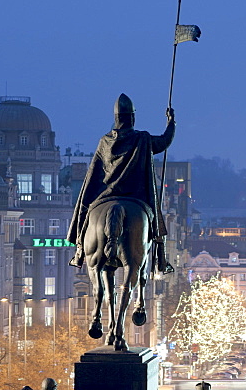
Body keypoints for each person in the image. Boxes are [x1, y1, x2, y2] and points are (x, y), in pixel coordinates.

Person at [67, 94, 176, 273]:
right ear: (132, 118)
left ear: (116, 118)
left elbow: (94, 173)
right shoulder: (142, 139)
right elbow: (164, 141)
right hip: (135, 195)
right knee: (155, 219)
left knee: (85, 212)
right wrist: (171, 122)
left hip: (106, 193)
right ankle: (161, 259)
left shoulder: (105, 141)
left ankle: (79, 250)